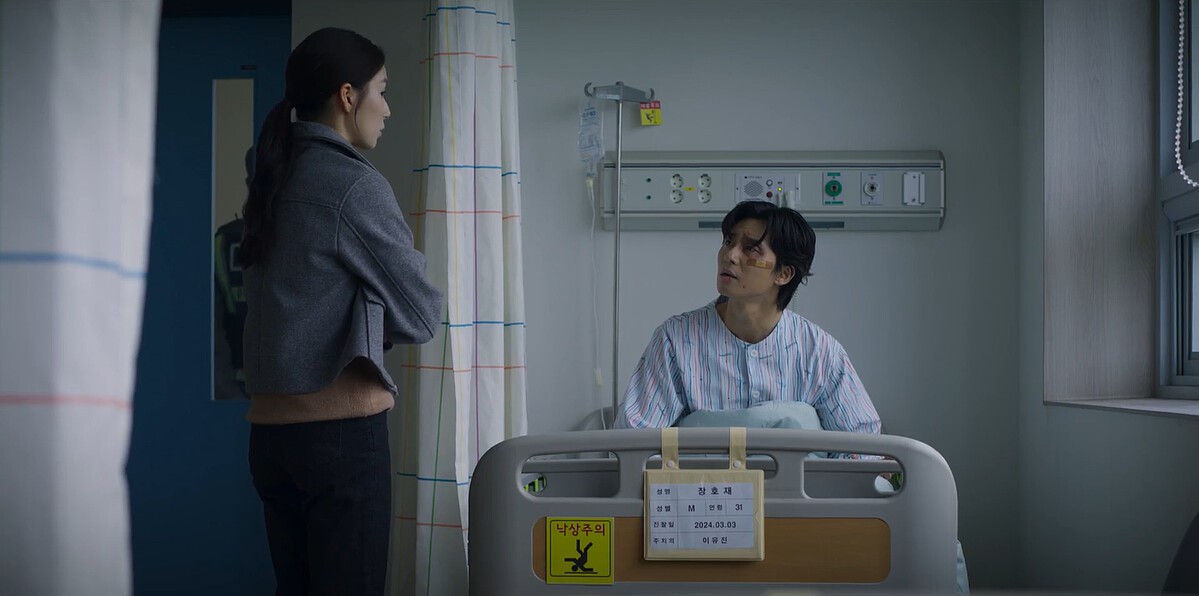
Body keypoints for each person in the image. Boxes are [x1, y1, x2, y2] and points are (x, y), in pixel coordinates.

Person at [239, 27, 443, 595]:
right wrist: (371, 306)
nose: (388, 108)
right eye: (382, 90)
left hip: (271, 439)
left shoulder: (271, 174)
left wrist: (357, 301)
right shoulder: (352, 186)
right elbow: (422, 314)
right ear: (348, 96)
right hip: (340, 439)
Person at [614, 200, 881, 445]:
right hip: (700, 483)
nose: (729, 255)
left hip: (798, 485)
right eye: (728, 241)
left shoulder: (819, 352)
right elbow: (633, 440)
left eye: (750, 248)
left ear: (784, 273)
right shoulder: (676, 340)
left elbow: (862, 448)